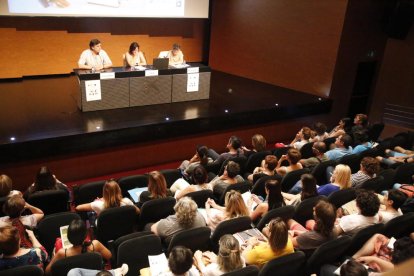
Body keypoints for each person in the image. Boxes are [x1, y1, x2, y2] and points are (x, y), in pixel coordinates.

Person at [46, 219, 112, 274]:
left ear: (68, 238)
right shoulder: (95, 245)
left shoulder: (62, 253)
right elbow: (110, 256)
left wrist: (53, 255)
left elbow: (47, 271)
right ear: (86, 235)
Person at [75, 179, 139, 215]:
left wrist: (96, 201)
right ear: (119, 190)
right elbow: (138, 211)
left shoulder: (98, 205)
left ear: (104, 193)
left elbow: (78, 208)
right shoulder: (126, 201)